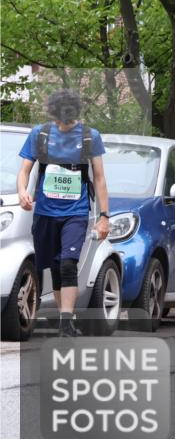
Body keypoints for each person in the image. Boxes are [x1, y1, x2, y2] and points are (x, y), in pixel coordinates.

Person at [16, 89, 110, 337]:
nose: (64, 124)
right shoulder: (41, 134)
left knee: (68, 264)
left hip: (76, 212)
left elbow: (99, 178)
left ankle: (66, 322)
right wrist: (22, 192)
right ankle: (64, 318)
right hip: (45, 212)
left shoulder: (90, 137)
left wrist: (104, 216)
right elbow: (25, 170)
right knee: (55, 267)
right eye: (60, 118)